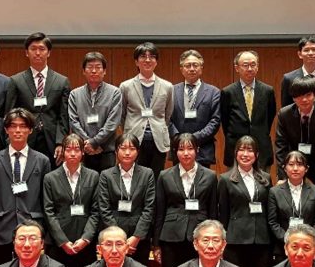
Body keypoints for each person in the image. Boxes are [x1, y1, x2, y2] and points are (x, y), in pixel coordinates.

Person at [42, 134, 100, 267]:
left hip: (85, 245)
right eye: (69, 149)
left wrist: (86, 239)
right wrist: (63, 241)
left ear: (83, 152)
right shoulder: (50, 178)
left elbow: (96, 211)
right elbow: (48, 212)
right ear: (63, 152)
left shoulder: (94, 176)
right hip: (58, 246)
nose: (73, 153)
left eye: (77, 149)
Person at [0, 108, 52, 267]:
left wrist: (45, 233)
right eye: (13, 126)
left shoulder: (42, 161)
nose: (18, 130)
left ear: (30, 130)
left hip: (31, 229)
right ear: (6, 129)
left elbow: (46, 200)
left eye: (23, 126)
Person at [154, 134, 219, 267]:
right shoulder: (165, 175)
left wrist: (214, 239)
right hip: (170, 237)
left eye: (190, 148)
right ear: (175, 152)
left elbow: (213, 212)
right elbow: (159, 211)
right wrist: (156, 244)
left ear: (197, 150)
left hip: (200, 238)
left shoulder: (210, 176)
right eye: (181, 149)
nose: (186, 153)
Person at [218, 136, 273, 267]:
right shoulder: (225, 179)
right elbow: (223, 214)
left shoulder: (265, 178)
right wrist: (222, 243)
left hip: (261, 241)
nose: (245, 154)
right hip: (236, 242)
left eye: (250, 150)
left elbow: (269, 211)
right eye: (241, 150)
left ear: (256, 155)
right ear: (235, 154)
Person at [5, 32, 71, 166]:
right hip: (25, 138)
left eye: (42, 49)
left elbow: (63, 116)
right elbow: (9, 114)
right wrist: (10, 141)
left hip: (52, 140)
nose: (37, 53)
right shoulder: (16, 81)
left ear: (48, 52)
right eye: (33, 49)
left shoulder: (61, 81)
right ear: (26, 53)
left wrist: (60, 142)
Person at [96, 133, 157, 266]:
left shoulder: (147, 174)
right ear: (116, 151)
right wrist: (119, 239)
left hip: (139, 236)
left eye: (132, 148)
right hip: (113, 236)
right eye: (123, 148)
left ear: (138, 151)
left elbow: (149, 207)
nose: (127, 152)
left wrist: (136, 237)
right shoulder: (106, 175)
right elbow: (104, 208)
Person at [119, 42, 175, 178]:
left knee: (156, 178)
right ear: (136, 61)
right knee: (135, 178)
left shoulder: (167, 86)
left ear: (156, 61)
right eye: (143, 56)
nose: (148, 60)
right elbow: (122, 114)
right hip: (134, 139)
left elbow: (168, 114)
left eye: (152, 57)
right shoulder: (125, 86)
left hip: (158, 140)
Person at [274, 75, 315, 183]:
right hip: (293, 166)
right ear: (293, 98)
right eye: (299, 96)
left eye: (308, 95)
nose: (304, 99)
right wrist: (283, 176)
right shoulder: (284, 115)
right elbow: (281, 147)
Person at [67, 51, 122, 172]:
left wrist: (95, 142)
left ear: (104, 71)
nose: (93, 71)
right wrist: (88, 143)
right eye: (90, 67)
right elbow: (73, 122)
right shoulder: (75, 94)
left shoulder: (115, 93)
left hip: (106, 150)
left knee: (107, 183)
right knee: (86, 183)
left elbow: (112, 123)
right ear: (83, 71)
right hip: (84, 150)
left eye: (98, 67)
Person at [221, 50, 277, 170]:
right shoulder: (228, 92)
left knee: (262, 180)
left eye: (253, 65)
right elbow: (225, 121)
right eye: (245, 65)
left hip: (261, 148)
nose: (250, 69)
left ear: (257, 67)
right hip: (235, 148)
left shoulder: (268, 91)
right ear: (237, 68)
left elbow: (270, 116)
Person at [169, 49, 222, 168]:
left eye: (195, 65)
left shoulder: (213, 92)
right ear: (181, 69)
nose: (192, 69)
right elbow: (167, 118)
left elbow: (215, 121)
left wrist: (193, 139)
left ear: (201, 68)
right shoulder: (171, 91)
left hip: (203, 148)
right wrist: (179, 139)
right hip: (179, 148)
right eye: (188, 65)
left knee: (203, 179)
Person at [267, 150, 315, 256]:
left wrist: (308, 239)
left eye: (299, 164)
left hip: (308, 247)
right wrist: (288, 240)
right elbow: (273, 222)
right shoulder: (274, 192)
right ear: (284, 168)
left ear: (306, 169)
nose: (295, 168)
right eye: (291, 164)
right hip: (283, 247)